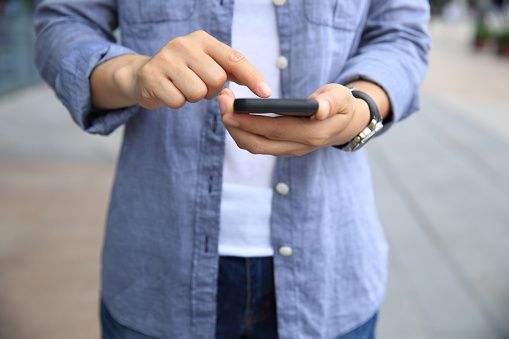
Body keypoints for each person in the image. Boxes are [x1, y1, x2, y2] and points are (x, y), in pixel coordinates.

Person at [34, 0, 430, 338]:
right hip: (156, 262)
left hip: (331, 265)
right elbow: (63, 22)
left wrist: (361, 108)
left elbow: (401, 35)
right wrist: (133, 73)